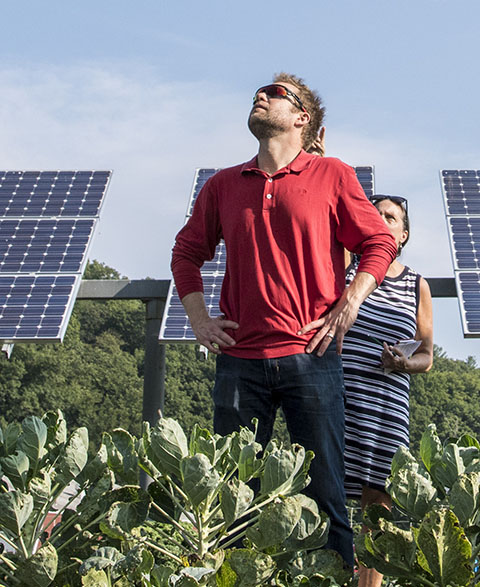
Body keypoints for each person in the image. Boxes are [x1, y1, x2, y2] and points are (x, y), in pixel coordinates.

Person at [171, 73, 398, 567]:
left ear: (302, 117)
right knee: (232, 497)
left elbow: (379, 242)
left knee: (327, 495)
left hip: (311, 357)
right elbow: (186, 252)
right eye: (259, 91)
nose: (261, 95)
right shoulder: (222, 185)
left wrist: (350, 301)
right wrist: (199, 320)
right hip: (239, 362)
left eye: (275, 93)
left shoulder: (333, 174)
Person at [342, 195, 433, 586]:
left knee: (377, 502)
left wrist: (402, 363)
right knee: (327, 487)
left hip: (386, 403)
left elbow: (426, 354)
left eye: (390, 216)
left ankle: (369, 585)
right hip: (341, 394)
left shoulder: (416, 284)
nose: (381, 219)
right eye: (375, 213)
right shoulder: (345, 269)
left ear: (404, 233)